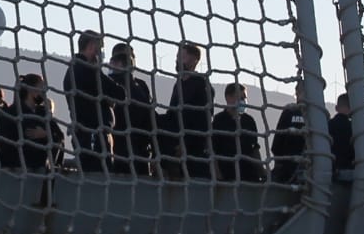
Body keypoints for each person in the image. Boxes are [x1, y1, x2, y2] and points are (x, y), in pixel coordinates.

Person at [161, 42, 214, 179]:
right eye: (177, 57)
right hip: (173, 145)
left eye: (182, 57)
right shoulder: (178, 84)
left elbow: (203, 122)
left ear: (194, 60)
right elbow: (172, 114)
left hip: (193, 151)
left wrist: (185, 143)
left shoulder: (201, 85)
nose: (177, 60)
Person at [107, 43, 157, 176]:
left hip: (137, 150)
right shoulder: (109, 84)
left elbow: (150, 120)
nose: (132, 59)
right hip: (122, 150)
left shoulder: (141, 86)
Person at [63, 31, 111, 171]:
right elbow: (119, 93)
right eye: (100, 48)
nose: (101, 53)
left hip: (87, 135)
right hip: (93, 138)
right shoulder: (88, 71)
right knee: (96, 174)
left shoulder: (73, 70)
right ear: (91, 46)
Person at [2, 73, 65, 172]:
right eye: (41, 88)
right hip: (18, 168)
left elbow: (60, 137)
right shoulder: (12, 113)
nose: (44, 92)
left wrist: (45, 135)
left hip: (43, 169)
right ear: (31, 90)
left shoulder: (43, 113)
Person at [211, 83, 266, 182]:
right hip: (227, 176)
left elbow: (254, 149)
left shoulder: (249, 121)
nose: (243, 101)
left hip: (249, 176)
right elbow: (212, 150)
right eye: (241, 98)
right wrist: (218, 176)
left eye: (245, 98)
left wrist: (262, 172)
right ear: (228, 98)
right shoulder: (219, 121)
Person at [269, 102, 307, 185]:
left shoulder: (289, 111)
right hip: (311, 173)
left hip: (286, 171)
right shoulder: (321, 116)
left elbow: (276, 145)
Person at [328, 92, 355, 180]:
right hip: (349, 172)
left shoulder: (327, 125)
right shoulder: (355, 128)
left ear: (336, 108)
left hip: (330, 171)